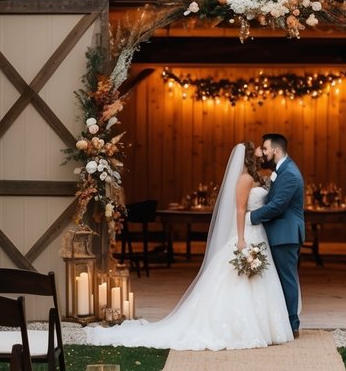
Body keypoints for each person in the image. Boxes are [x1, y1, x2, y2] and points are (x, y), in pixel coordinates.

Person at [84, 142, 293, 350]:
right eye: (258, 148)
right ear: (250, 155)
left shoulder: (256, 178)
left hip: (258, 232)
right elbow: (239, 210)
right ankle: (243, 328)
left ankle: (266, 327)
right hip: (246, 232)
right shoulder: (245, 179)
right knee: (241, 279)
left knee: (260, 278)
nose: (261, 151)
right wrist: (240, 239)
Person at [249, 133, 305, 338]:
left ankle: (292, 325)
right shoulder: (280, 170)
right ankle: (284, 323)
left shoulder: (289, 172)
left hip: (285, 233)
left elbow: (277, 206)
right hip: (280, 232)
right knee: (280, 280)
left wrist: (249, 217)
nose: (263, 153)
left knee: (287, 279)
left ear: (276, 150)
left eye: (265, 149)